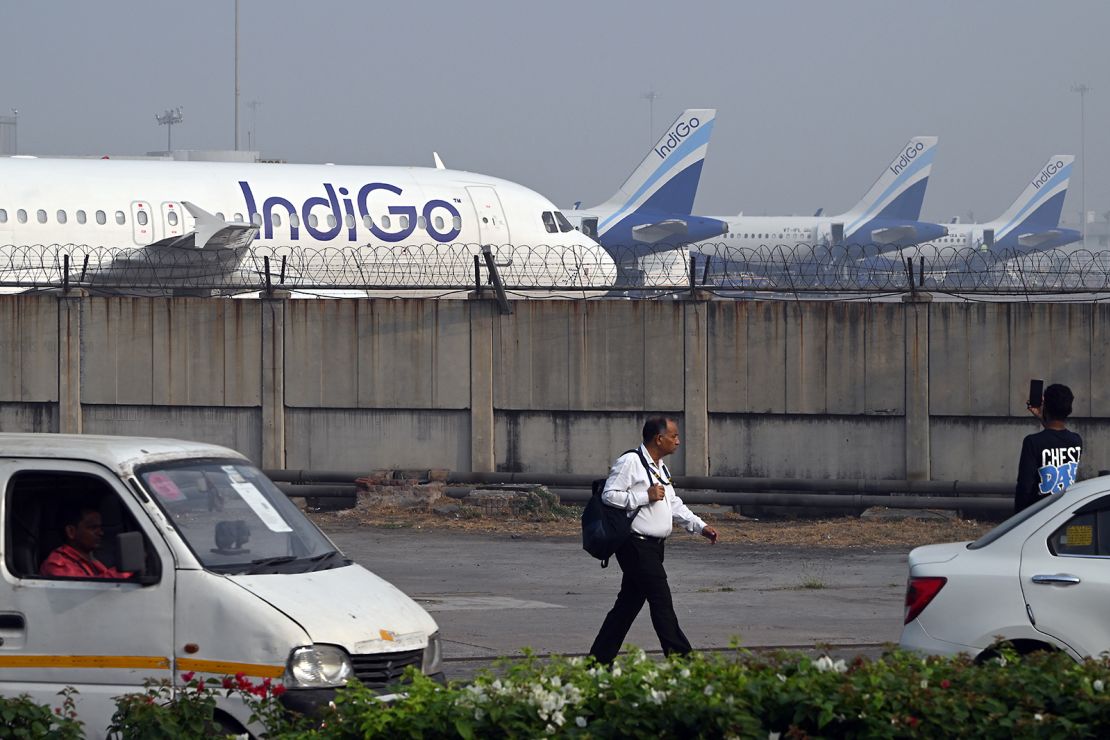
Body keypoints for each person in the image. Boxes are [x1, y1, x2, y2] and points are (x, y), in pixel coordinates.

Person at [589, 417, 719, 665]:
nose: (678, 442)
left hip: (654, 547)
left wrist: (700, 526)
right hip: (634, 545)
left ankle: (598, 662)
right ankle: (683, 662)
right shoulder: (631, 462)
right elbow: (609, 496)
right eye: (675, 436)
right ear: (659, 439)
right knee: (661, 601)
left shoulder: (660, 467)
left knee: (627, 606)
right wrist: (643, 495)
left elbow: (673, 504)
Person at [1015, 383, 1083, 514]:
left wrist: (1017, 519)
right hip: (1064, 513)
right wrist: (1043, 417)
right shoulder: (1076, 441)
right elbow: (1055, 438)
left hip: (1039, 516)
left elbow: (1024, 487)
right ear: (1069, 409)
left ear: (1045, 406)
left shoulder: (1032, 442)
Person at [40, 503, 131, 578]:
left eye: (100, 527)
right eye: (93, 528)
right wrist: (129, 568)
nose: (101, 533)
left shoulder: (89, 560)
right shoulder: (58, 563)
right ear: (71, 531)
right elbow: (90, 589)